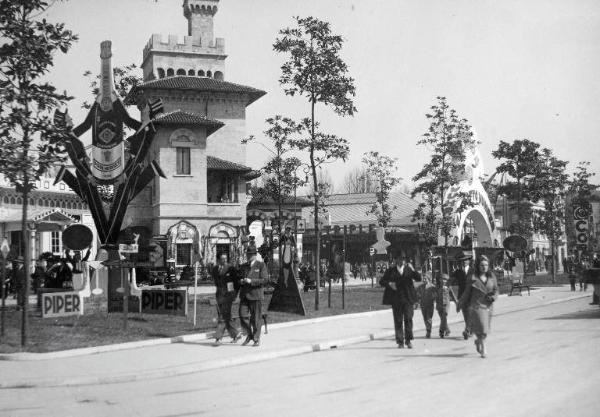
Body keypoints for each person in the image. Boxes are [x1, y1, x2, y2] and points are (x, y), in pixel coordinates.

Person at [458, 255, 499, 358]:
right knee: (482, 326)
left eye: (486, 265)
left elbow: (496, 290)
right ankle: (484, 348)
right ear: (478, 266)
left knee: (485, 328)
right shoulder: (473, 277)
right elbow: (467, 292)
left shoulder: (491, 276)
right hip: (476, 305)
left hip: (488, 305)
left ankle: (478, 341)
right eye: (482, 265)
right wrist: (460, 302)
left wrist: (494, 297)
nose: (484, 267)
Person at [380, 255, 422, 348]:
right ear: (396, 260)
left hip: (408, 299)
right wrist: (390, 284)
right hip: (396, 299)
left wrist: (413, 269)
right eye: (399, 259)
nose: (402, 261)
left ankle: (408, 340)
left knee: (408, 318)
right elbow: (382, 281)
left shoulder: (409, 269)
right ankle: (400, 341)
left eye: (403, 259)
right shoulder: (391, 270)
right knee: (398, 320)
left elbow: (419, 278)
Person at [238, 244, 269, 346]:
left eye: (251, 254)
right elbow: (238, 279)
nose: (248, 256)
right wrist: (241, 281)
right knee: (242, 316)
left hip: (256, 295)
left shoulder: (261, 265)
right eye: (247, 254)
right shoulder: (243, 266)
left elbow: (264, 280)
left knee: (256, 319)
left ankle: (256, 339)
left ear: (255, 255)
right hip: (244, 295)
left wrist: (251, 281)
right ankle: (249, 335)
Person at [212, 254, 241, 345]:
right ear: (218, 259)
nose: (224, 260)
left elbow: (236, 283)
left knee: (222, 317)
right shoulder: (215, 269)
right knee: (227, 316)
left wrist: (234, 295)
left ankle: (218, 338)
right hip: (219, 295)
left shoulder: (231, 268)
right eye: (222, 258)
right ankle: (236, 334)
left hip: (228, 296)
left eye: (225, 258)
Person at [452, 259, 471, 339]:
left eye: (465, 260)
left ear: (469, 261)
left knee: (470, 313)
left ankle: (467, 330)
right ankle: (469, 329)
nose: (463, 262)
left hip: (471, 295)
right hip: (462, 295)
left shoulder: (473, 270)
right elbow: (451, 278)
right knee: (465, 313)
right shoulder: (458, 271)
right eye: (462, 260)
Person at [436, 273, 457, 338]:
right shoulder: (437, 287)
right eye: (442, 279)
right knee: (443, 319)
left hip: (446, 304)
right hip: (439, 305)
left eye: (445, 279)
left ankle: (441, 331)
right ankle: (447, 330)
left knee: (444, 316)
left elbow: (453, 295)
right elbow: (435, 296)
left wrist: (456, 302)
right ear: (439, 280)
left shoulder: (448, 287)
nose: (443, 281)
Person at [419, 272, 436, 338]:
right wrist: (418, 300)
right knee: (425, 318)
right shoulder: (421, 286)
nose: (424, 280)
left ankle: (428, 331)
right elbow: (417, 294)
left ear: (429, 279)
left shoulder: (432, 287)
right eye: (423, 278)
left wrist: (433, 298)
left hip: (430, 305)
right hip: (423, 305)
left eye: (425, 278)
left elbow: (435, 295)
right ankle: (427, 329)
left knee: (429, 318)